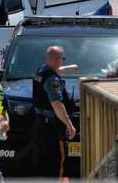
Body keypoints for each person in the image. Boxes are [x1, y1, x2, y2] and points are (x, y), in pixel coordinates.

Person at [32, 46, 77, 179]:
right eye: (62, 59)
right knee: (58, 161)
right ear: (57, 59)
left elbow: (54, 71)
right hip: (53, 128)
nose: (62, 62)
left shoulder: (40, 71)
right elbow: (57, 105)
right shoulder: (52, 80)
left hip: (40, 124)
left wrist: (69, 68)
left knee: (43, 161)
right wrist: (69, 124)